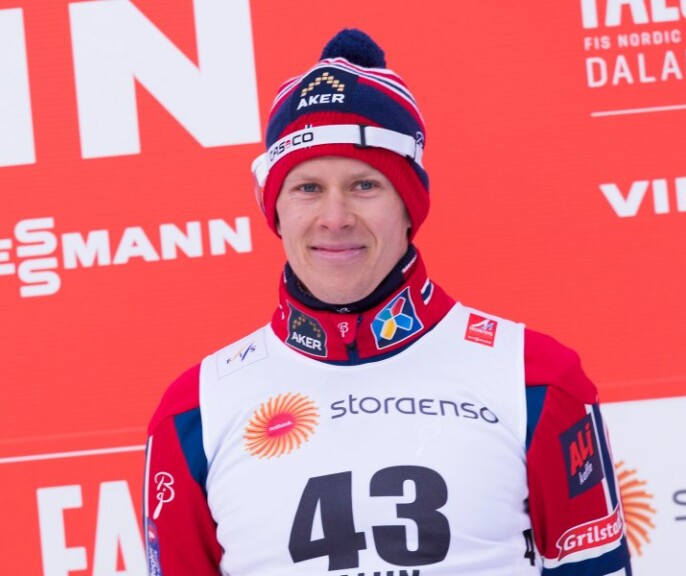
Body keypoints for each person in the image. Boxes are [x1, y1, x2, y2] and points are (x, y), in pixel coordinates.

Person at [143, 28, 632, 576]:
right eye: (307, 188)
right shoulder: (194, 411)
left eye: (364, 186)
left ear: (409, 205)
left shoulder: (536, 379)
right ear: (275, 210)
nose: (334, 218)